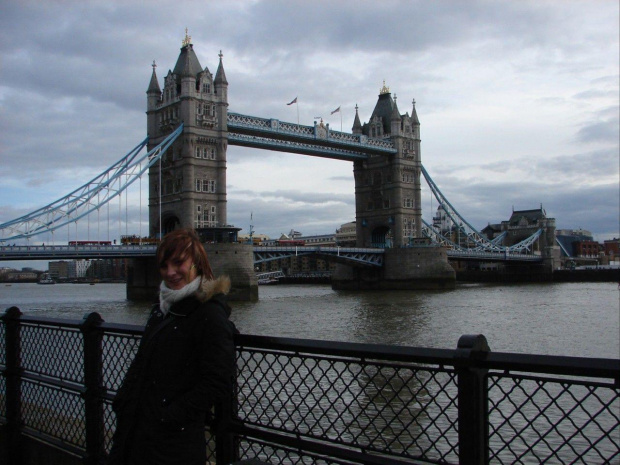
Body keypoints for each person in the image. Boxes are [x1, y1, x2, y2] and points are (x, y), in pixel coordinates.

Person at [108, 228, 237, 465]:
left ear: (197, 262)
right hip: (136, 434)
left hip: (173, 444)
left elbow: (218, 381)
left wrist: (168, 416)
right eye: (163, 265)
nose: (170, 272)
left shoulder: (209, 314)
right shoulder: (162, 309)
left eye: (178, 263)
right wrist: (123, 402)